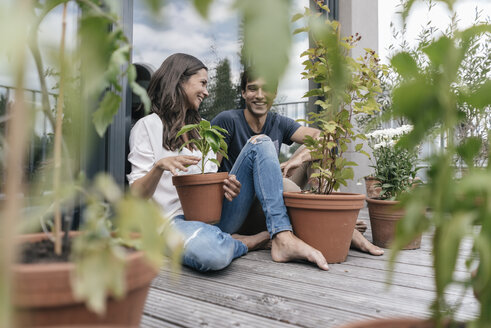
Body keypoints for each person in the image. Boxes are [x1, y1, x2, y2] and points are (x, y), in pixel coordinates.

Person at [127, 53, 330, 273]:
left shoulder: (203, 128)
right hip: (172, 222)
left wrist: (227, 184)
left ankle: (282, 236)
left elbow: (212, 178)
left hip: (217, 216)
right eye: (202, 83)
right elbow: (138, 195)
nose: (206, 91)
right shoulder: (146, 127)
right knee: (212, 253)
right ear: (180, 81)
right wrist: (159, 167)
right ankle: (248, 241)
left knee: (261, 142)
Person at [211, 67, 384, 256]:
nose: (259, 95)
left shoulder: (278, 122)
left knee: (312, 151)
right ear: (243, 93)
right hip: (238, 210)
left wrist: (297, 159)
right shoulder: (227, 121)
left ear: (275, 93)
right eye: (252, 89)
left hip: (268, 203)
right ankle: (337, 226)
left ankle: (336, 222)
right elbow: (209, 173)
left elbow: (325, 138)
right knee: (283, 182)